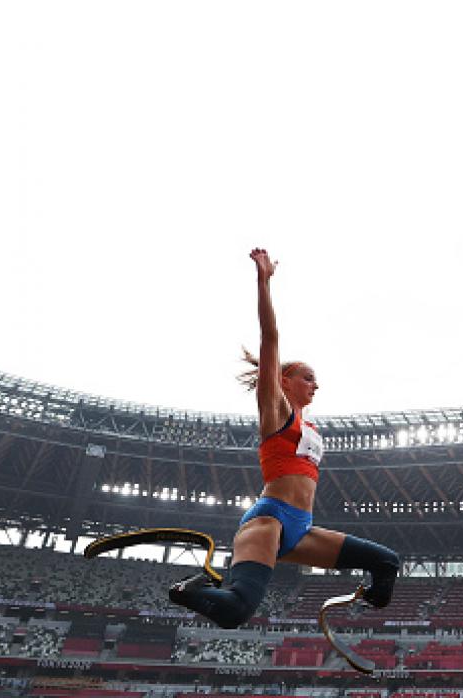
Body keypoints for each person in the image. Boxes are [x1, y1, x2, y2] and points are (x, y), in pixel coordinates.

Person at [168, 248, 400, 628]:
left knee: (386, 563)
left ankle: (373, 600)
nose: (316, 385)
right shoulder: (276, 412)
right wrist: (264, 281)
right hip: (269, 521)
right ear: (283, 381)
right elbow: (269, 338)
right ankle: (185, 593)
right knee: (236, 611)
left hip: (301, 528)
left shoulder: (311, 428)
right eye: (307, 377)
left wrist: (374, 597)